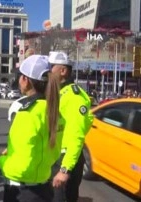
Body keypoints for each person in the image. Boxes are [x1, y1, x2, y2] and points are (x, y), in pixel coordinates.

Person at [0, 55, 65, 202]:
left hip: (22, 192)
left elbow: (21, 167)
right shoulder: (54, 112)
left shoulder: (27, 114)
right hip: (43, 189)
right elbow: (51, 151)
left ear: (25, 80)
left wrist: (0, 159)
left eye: (20, 76)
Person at [49, 51, 94, 202]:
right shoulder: (58, 92)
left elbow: (76, 135)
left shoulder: (74, 96)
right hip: (55, 156)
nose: (48, 71)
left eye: (51, 67)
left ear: (63, 71)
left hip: (66, 159)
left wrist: (65, 169)